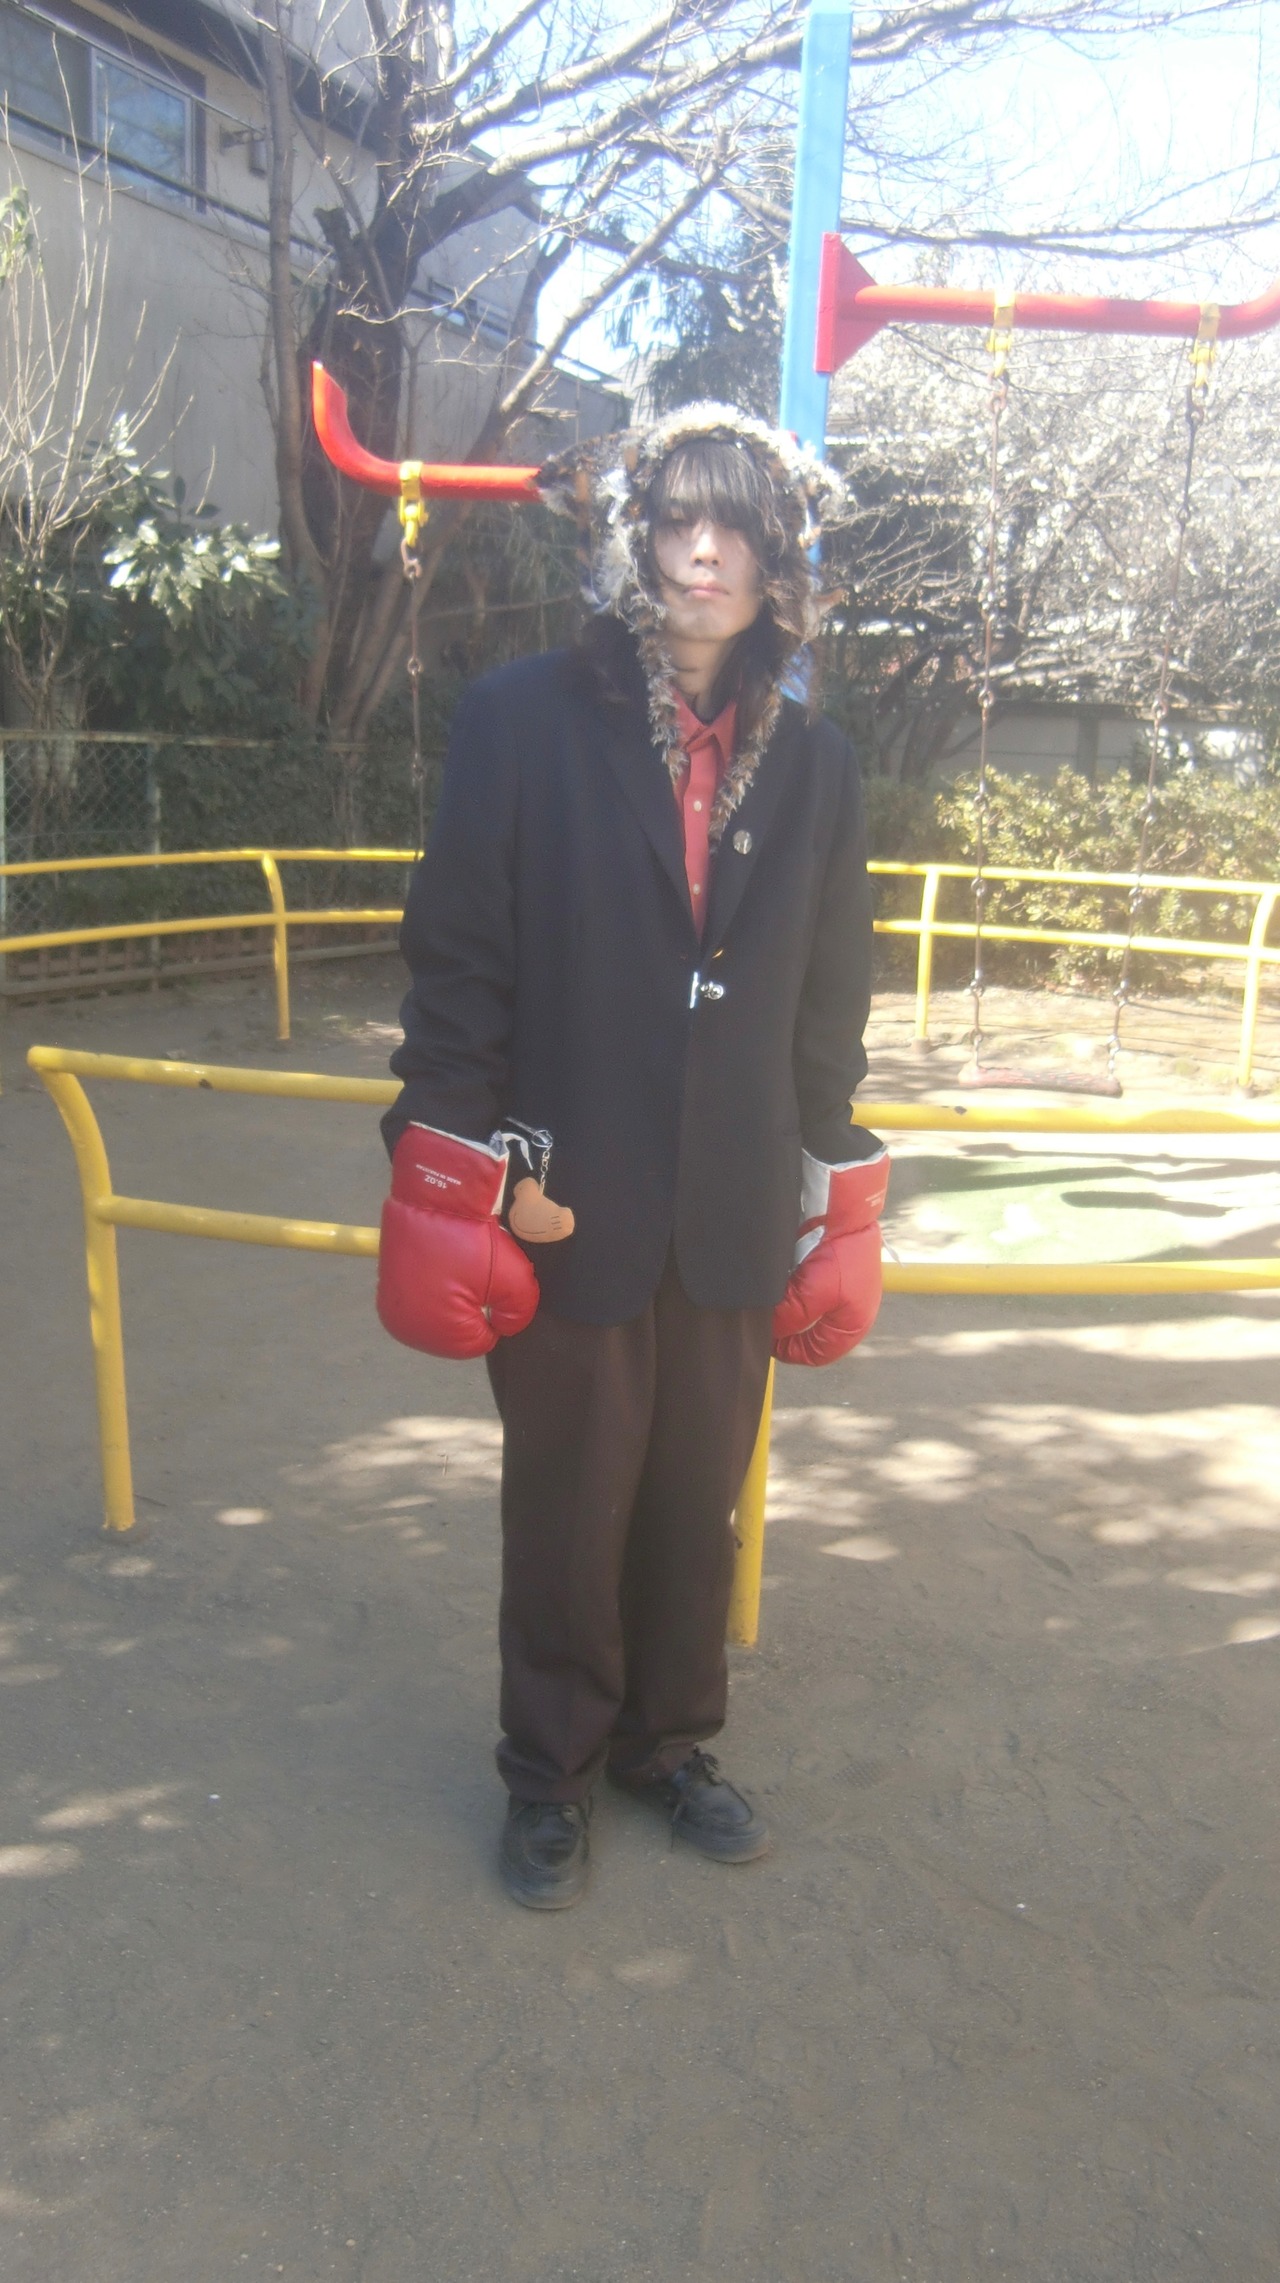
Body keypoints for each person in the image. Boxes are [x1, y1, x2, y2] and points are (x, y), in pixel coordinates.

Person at [376, 403, 888, 1909]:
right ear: (635, 543)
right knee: (568, 1499)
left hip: (734, 1197)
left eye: (737, 526)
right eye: (677, 520)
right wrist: (445, 1167)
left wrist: (836, 1188)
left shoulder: (819, 763)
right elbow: (459, 964)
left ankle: (667, 1745)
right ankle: (549, 1771)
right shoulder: (521, 720)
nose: (705, 551)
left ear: (781, 560)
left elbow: (832, 997)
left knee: (693, 1499)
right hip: (561, 1190)